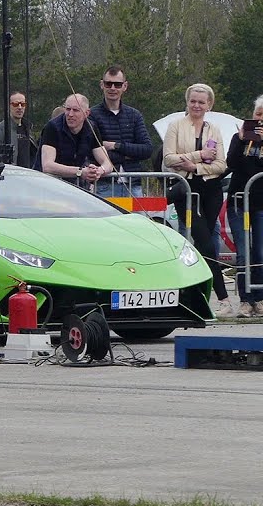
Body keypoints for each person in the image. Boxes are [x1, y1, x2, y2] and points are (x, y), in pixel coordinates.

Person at [163, 83, 231, 318]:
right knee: (204, 241)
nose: (196, 105)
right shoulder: (175, 126)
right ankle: (222, 297)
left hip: (210, 190)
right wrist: (199, 156)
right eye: (193, 101)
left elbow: (221, 165)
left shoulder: (215, 130)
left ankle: (198, 294)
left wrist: (196, 167)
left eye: (201, 102)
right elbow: (169, 158)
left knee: (204, 243)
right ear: (187, 101)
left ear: (209, 105)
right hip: (184, 188)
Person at [89, 67, 152, 196]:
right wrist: (130, 155)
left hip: (134, 185)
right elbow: (91, 151)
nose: (113, 88)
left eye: (117, 84)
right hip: (104, 185)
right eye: (108, 84)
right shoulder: (91, 115)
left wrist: (114, 146)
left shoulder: (135, 115)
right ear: (102, 85)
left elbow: (147, 150)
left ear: (125, 86)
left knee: (138, 217)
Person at [226, 95, 263, 317]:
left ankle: (259, 299)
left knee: (260, 252)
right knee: (243, 253)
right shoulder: (237, 138)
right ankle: (245, 300)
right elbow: (232, 163)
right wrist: (241, 140)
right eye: (258, 115)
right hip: (239, 203)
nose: (260, 120)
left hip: (260, 205)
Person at [39, 93, 113, 189]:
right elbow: (47, 166)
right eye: (68, 109)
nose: (70, 114)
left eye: (76, 110)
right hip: (49, 186)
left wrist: (98, 171)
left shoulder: (92, 128)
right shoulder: (52, 127)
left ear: (87, 113)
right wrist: (80, 172)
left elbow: (108, 164)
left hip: (76, 187)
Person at [0, 92, 37, 169]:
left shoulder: (28, 129)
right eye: (15, 104)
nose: (19, 107)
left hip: (27, 177)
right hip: (11, 177)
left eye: (23, 104)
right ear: (8, 106)